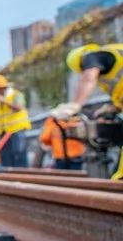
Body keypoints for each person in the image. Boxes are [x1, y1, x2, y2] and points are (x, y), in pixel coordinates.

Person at [52, 43, 123, 178]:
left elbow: (88, 79)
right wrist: (113, 108)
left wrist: (75, 105)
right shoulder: (111, 64)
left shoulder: (91, 57)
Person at [0, 74, 31, 167]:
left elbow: (20, 107)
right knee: (5, 157)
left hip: (17, 130)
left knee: (19, 155)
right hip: (4, 132)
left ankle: (22, 177)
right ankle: (8, 178)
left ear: (1, 88)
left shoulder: (16, 95)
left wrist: (4, 101)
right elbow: (2, 117)